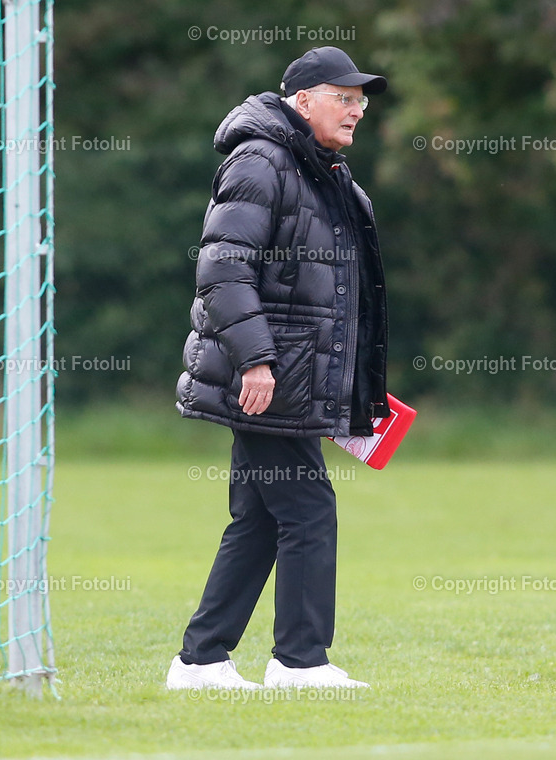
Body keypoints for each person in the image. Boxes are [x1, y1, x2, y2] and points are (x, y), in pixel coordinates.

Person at [167, 46, 390, 690]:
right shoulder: (261, 160)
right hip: (266, 376)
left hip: (291, 375)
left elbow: (333, 299)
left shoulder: (323, 170)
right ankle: (300, 662)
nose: (356, 110)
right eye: (342, 97)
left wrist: (356, 380)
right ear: (302, 102)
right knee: (309, 510)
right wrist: (257, 360)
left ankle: (201, 660)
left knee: (262, 517)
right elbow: (223, 267)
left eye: (361, 100)